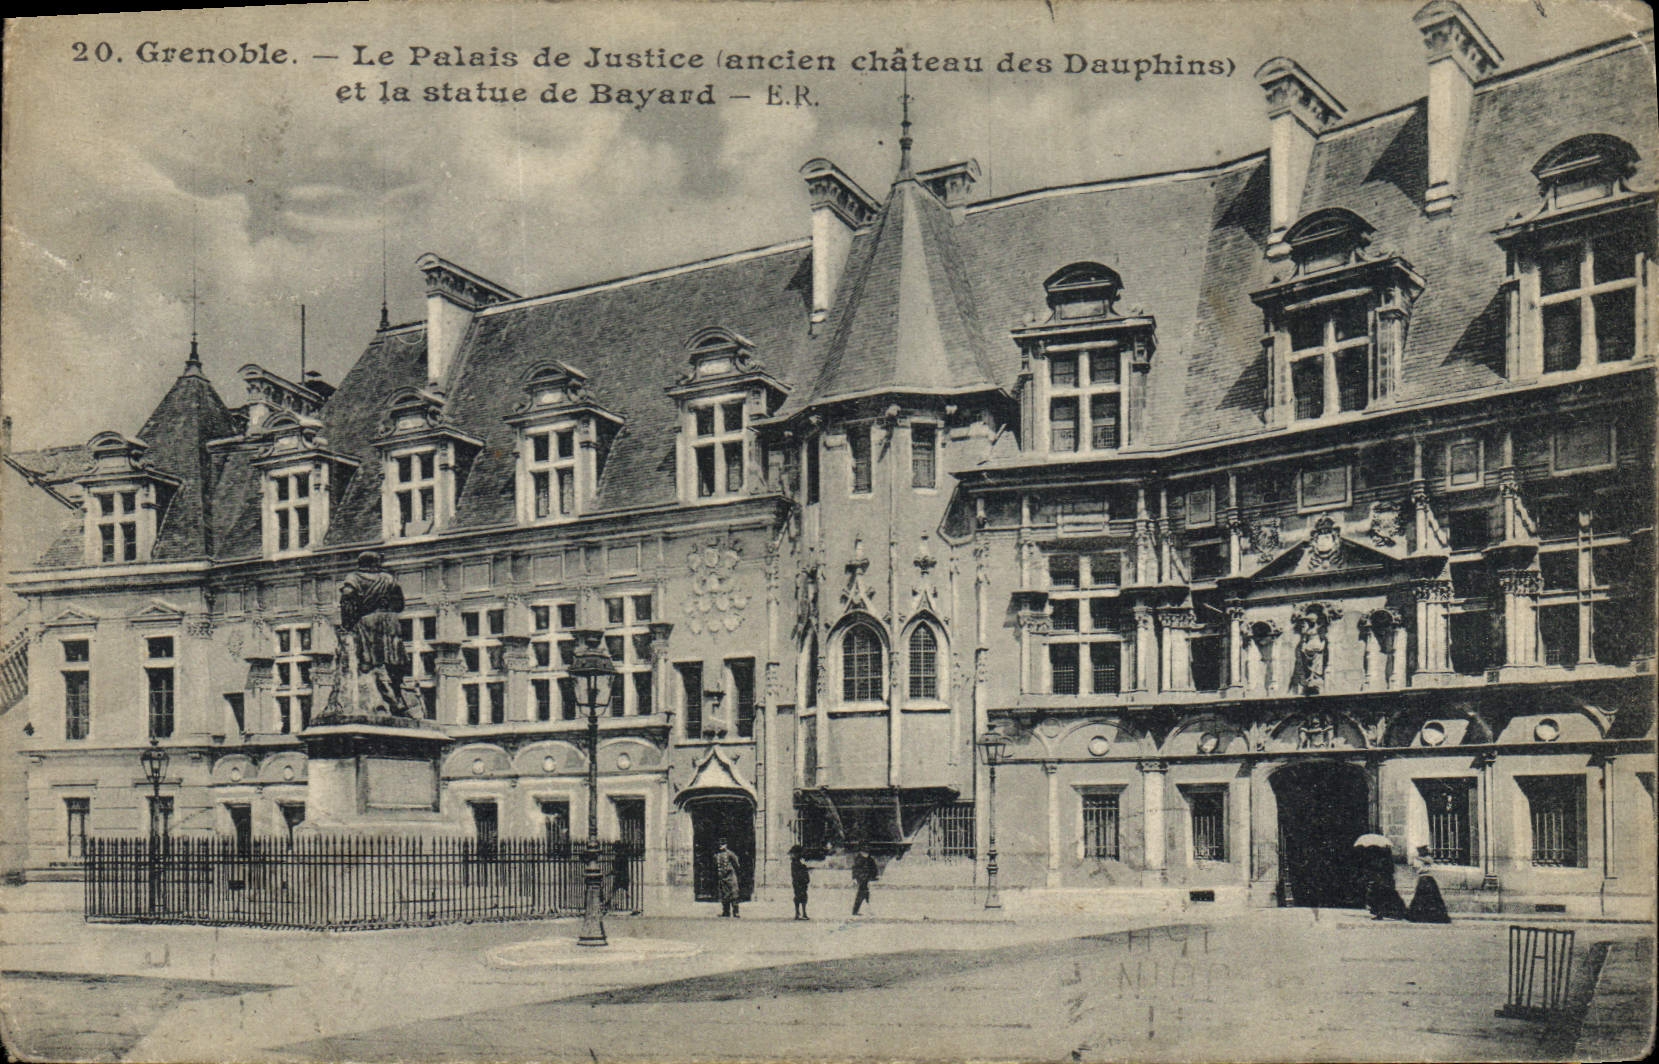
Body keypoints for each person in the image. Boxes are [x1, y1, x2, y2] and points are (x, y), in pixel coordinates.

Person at [333, 551, 415, 718]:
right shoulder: (389, 579)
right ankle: (397, 697)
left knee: (370, 663)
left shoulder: (353, 578)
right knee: (394, 660)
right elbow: (399, 604)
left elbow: (347, 600)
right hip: (390, 621)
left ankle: (384, 699)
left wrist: (347, 624)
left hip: (368, 621)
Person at [1407, 846, 1451, 923]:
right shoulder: (1418, 860)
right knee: (1420, 898)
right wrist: (1412, 858)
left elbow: (1430, 861)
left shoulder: (1427, 858)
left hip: (1428, 878)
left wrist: (1417, 857)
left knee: (1431, 897)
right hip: (1422, 878)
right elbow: (1411, 864)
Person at [714, 838, 741, 918]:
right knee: (724, 895)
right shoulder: (717, 855)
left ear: (726, 845)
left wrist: (733, 872)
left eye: (723, 844)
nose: (721, 846)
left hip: (730, 877)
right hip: (722, 878)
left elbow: (737, 863)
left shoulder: (730, 854)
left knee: (734, 894)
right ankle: (726, 912)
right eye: (720, 844)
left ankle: (736, 912)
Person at [851, 846, 877, 916]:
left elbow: (874, 869)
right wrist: (855, 878)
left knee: (864, 894)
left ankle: (857, 910)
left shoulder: (869, 860)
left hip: (865, 879)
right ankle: (860, 910)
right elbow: (855, 869)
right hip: (862, 880)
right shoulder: (860, 860)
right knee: (863, 894)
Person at [603, 849, 631, 915]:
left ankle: (610, 904)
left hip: (620, 877)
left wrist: (610, 873)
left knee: (613, 891)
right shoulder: (624, 856)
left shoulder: (619, 857)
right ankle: (610, 903)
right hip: (623, 877)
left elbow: (617, 868)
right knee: (616, 891)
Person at [790, 845, 811, 920]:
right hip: (799, 882)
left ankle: (801, 913)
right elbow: (796, 873)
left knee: (802, 897)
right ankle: (799, 913)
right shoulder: (795, 863)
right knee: (799, 897)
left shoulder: (797, 862)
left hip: (801, 882)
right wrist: (804, 867)